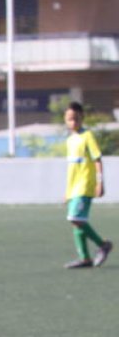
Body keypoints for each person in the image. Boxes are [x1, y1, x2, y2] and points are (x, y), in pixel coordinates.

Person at [61, 102, 110, 269]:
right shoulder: (70, 140)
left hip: (85, 185)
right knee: (77, 221)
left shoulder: (87, 136)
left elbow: (97, 159)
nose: (73, 122)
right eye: (70, 119)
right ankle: (85, 258)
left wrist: (100, 181)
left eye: (76, 118)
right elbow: (72, 169)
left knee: (75, 218)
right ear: (65, 120)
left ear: (82, 117)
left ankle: (103, 245)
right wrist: (67, 192)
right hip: (74, 188)